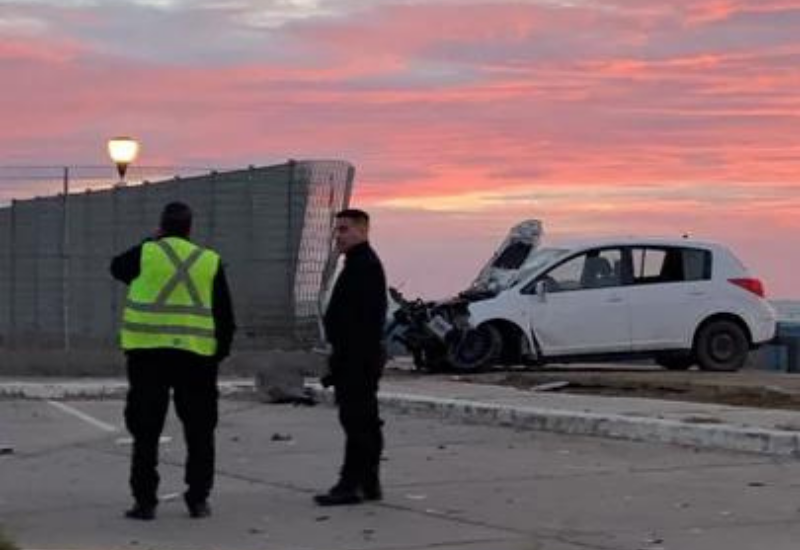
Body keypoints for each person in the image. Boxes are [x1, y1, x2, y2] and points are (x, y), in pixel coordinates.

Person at [110, 201, 235, 520]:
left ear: (161, 226)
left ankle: (145, 502)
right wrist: (217, 354)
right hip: (196, 358)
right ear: (190, 228)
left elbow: (117, 268)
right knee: (200, 431)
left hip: (147, 356)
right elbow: (225, 316)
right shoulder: (208, 260)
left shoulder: (146, 253)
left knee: (145, 431)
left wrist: (150, 241)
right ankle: (198, 499)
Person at [315, 208, 388, 506]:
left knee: (357, 422)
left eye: (344, 229)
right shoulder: (358, 264)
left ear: (362, 230)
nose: (338, 236)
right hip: (355, 357)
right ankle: (368, 483)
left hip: (357, 359)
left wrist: (348, 359)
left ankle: (351, 484)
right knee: (364, 421)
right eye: (337, 230)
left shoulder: (364, 266)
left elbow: (363, 321)